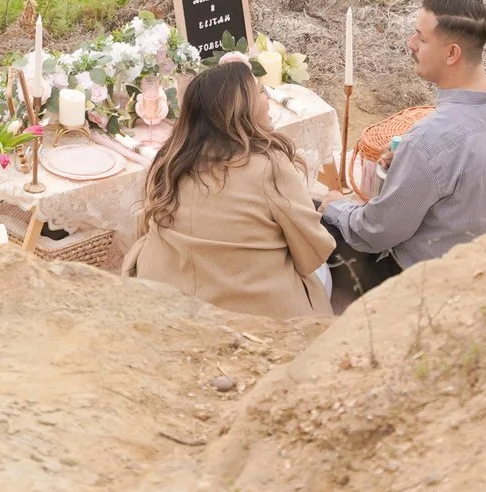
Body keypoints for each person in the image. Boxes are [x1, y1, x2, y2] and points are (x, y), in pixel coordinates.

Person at [322, 0, 486, 282]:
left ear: (452, 53)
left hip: (439, 280)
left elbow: (377, 232)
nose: (411, 43)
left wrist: (335, 205)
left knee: (320, 218)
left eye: (421, 38)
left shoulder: (429, 141)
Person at [124, 61, 334, 320]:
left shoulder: (168, 161)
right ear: (240, 108)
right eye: (260, 91)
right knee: (323, 273)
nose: (267, 98)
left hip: (166, 303)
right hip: (246, 318)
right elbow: (312, 252)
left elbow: (143, 228)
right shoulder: (269, 165)